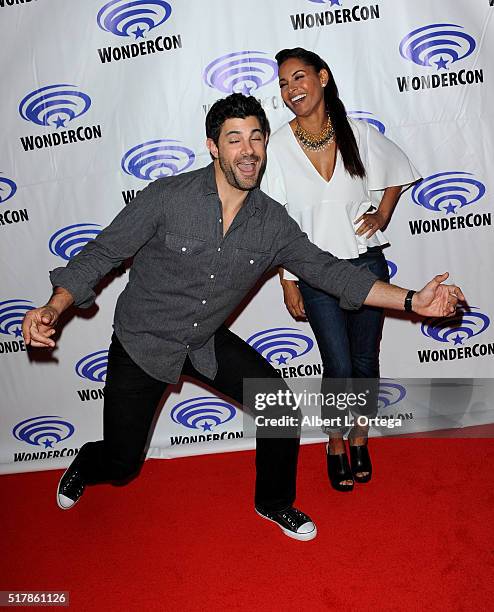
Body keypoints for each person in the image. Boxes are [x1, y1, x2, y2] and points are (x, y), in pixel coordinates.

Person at [22, 94, 462, 542]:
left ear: (266, 144)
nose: (247, 150)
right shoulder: (167, 197)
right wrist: (54, 307)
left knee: (280, 408)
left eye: (256, 138)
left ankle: (274, 503)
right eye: (234, 139)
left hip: (205, 340)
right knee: (121, 463)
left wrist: (413, 301)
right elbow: (103, 252)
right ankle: (87, 462)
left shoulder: (272, 223)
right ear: (213, 147)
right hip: (144, 341)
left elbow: (332, 273)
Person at [262, 47, 422, 491]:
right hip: (315, 272)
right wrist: (287, 280)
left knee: (365, 360)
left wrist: (383, 215)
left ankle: (359, 438)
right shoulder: (277, 145)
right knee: (337, 363)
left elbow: (399, 170)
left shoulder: (356, 132)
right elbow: (278, 220)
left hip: (367, 264)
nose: (292, 89)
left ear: (323, 77)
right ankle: (335, 442)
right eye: (283, 84)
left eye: (299, 77)